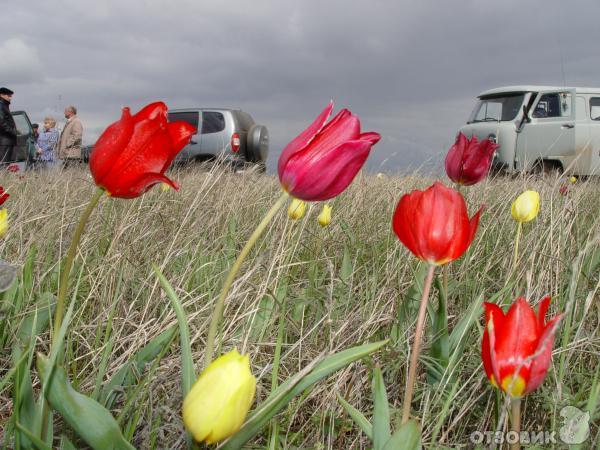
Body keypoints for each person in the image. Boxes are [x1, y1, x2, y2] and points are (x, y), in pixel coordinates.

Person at [0, 87, 17, 164]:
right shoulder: (1, 105)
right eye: (9, 96)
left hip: (6, 140)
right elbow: (1, 122)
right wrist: (13, 132)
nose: (10, 98)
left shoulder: (4, 105)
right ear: (2, 95)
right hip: (4, 140)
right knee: (3, 164)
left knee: (5, 164)